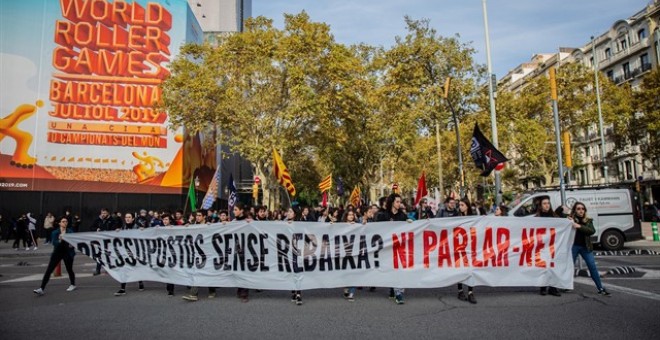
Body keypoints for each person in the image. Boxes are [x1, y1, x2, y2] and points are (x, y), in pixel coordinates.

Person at [569, 202, 611, 296]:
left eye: (582, 209)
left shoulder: (588, 221)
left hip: (585, 247)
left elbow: (591, 231)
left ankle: (600, 288)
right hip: (573, 247)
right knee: (568, 267)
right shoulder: (570, 219)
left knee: (592, 267)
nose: (581, 211)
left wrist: (579, 226)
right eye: (578, 209)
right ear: (575, 210)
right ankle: (565, 286)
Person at [376, 193, 409, 304]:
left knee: (399, 269)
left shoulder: (402, 216)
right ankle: (391, 288)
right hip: (386, 248)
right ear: (392, 202)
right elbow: (375, 230)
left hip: (399, 247)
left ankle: (399, 293)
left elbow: (407, 229)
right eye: (397, 202)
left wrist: (410, 223)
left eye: (400, 202)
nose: (399, 204)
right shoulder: (382, 215)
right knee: (390, 268)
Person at [33, 217, 76, 295]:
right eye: (63, 221)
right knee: (49, 270)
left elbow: (74, 242)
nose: (65, 223)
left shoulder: (70, 231)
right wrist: (60, 240)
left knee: (69, 269)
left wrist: (71, 245)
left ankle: (72, 284)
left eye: (66, 221)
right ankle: (41, 288)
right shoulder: (55, 232)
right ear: (59, 223)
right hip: (57, 253)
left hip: (67, 253)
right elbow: (54, 243)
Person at [182, 210, 217, 301]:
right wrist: (186, 227)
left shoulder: (209, 225)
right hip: (198, 255)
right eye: (196, 215)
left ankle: (212, 290)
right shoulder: (194, 226)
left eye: (199, 215)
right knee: (197, 272)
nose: (197, 217)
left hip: (208, 254)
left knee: (208, 273)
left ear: (204, 217)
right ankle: (193, 294)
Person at [114, 212, 145, 296]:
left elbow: (145, 236)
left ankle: (140, 282)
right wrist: (118, 232)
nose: (127, 218)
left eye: (129, 217)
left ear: (133, 218)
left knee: (137, 267)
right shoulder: (123, 227)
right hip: (126, 252)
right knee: (123, 269)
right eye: (126, 217)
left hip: (136, 252)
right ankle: (122, 288)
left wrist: (143, 231)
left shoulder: (137, 226)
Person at [535, 197, 561, 297]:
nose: (547, 205)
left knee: (553, 267)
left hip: (553, 246)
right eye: (544, 203)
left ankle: (553, 288)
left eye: (548, 203)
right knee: (543, 267)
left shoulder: (555, 217)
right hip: (542, 246)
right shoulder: (537, 218)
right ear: (540, 206)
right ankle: (543, 287)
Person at [456, 198, 477, 304]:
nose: (460, 207)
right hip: (459, 247)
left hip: (470, 247)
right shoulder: (457, 218)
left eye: (462, 205)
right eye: (459, 205)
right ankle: (460, 291)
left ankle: (470, 292)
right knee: (460, 268)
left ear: (467, 206)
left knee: (471, 269)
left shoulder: (474, 218)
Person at [233, 203, 251, 302]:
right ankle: (240, 288)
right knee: (238, 269)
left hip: (246, 250)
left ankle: (245, 292)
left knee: (244, 270)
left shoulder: (247, 221)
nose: (234, 211)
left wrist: (252, 222)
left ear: (241, 211)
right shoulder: (234, 221)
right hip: (236, 249)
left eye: (236, 210)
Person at [90, 208, 116, 275]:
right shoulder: (98, 220)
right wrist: (96, 229)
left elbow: (114, 229)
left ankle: (109, 269)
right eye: (102, 213)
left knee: (108, 255)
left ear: (108, 213)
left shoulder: (112, 220)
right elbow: (91, 227)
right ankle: (98, 270)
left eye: (104, 213)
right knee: (99, 255)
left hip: (109, 241)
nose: (103, 214)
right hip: (100, 241)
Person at [342, 210, 359, 302]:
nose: (351, 216)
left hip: (354, 252)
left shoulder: (357, 225)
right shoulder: (341, 226)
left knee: (354, 272)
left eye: (352, 215)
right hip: (344, 253)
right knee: (345, 272)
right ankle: (346, 287)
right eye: (349, 214)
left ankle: (351, 293)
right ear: (346, 216)